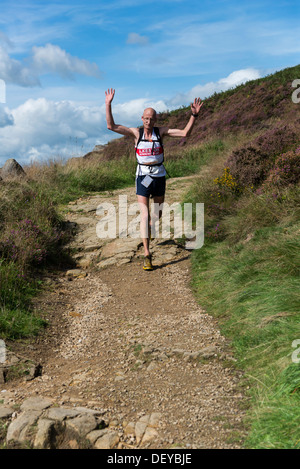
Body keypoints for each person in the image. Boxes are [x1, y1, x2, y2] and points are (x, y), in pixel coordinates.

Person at [105, 88, 203, 270]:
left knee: (156, 216)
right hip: (142, 177)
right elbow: (111, 126)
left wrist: (193, 116)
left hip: (159, 177)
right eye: (146, 118)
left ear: (155, 120)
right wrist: (108, 104)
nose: (149, 122)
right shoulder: (136, 133)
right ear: (142, 119)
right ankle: (147, 255)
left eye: (151, 119)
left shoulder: (161, 132)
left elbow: (184, 134)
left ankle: (149, 233)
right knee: (144, 214)